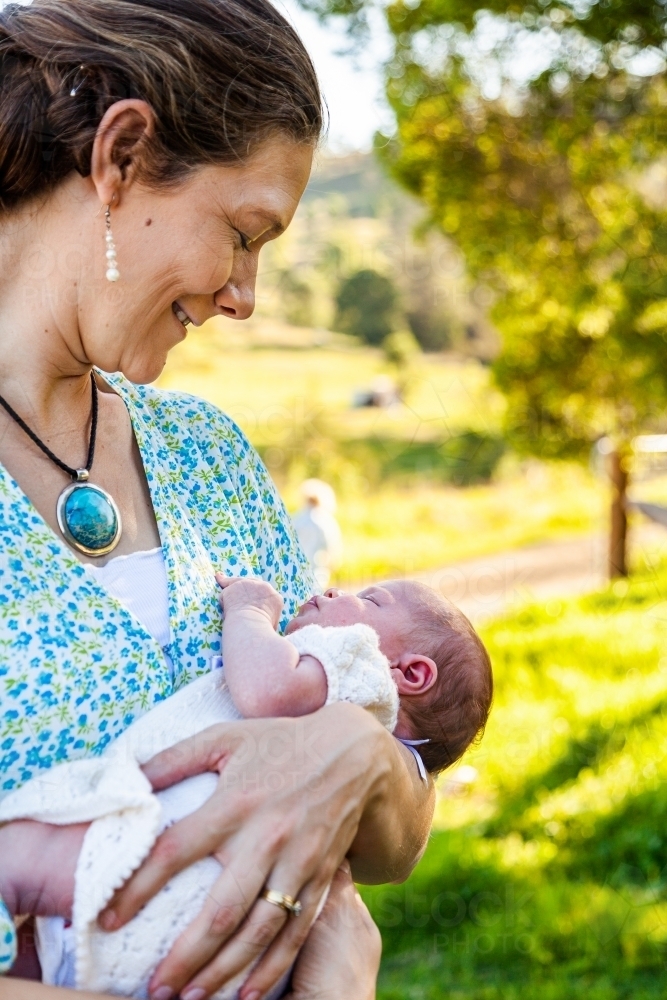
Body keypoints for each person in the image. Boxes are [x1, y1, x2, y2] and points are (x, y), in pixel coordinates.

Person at [0, 1, 435, 998]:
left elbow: (397, 828)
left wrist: (359, 765)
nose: (245, 295)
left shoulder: (209, 457)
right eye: (243, 235)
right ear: (121, 155)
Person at [0, 576, 492, 995]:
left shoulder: (358, 664)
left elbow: (267, 690)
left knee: (19, 856)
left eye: (371, 599)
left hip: (162, 848)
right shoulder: (358, 734)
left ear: (410, 673)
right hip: (228, 944)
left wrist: (250, 609)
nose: (333, 589)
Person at [291, 479, 342, 589]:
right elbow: (331, 546)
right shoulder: (325, 520)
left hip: (296, 568)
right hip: (318, 569)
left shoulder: (296, 518)